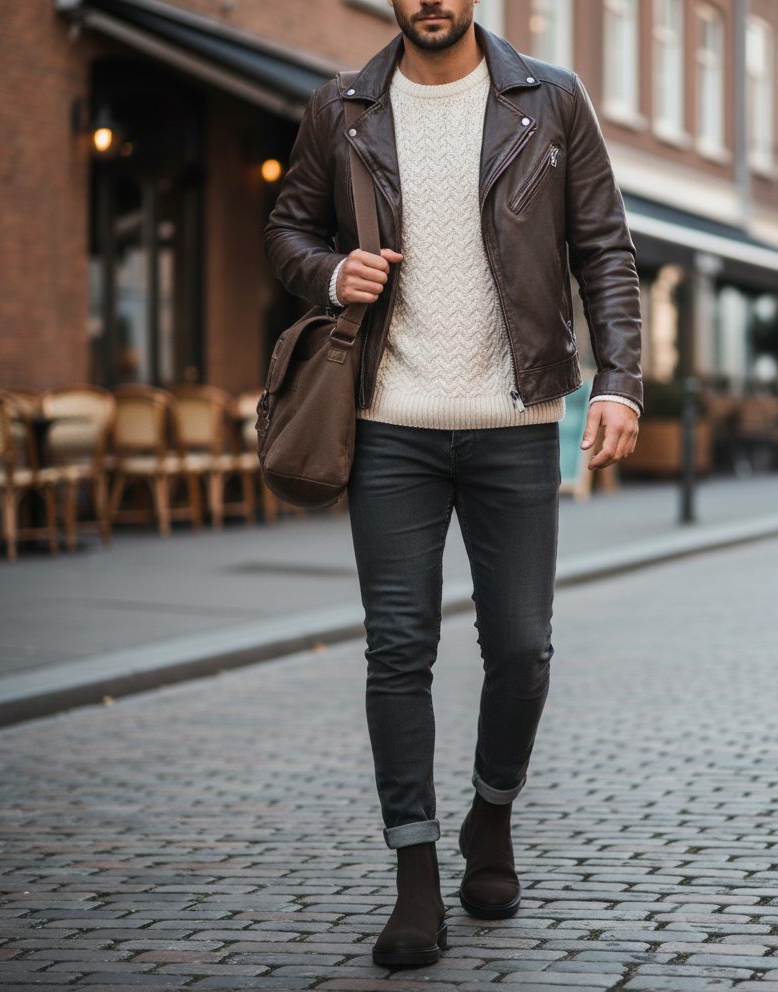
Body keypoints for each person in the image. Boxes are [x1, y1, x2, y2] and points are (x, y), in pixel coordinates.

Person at [263, 0, 644, 969]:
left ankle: (492, 813)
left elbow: (603, 248)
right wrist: (328, 270)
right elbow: (285, 228)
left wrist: (620, 383)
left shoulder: (550, 102)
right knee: (399, 649)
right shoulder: (343, 107)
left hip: (517, 423)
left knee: (521, 646)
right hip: (388, 423)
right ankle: (416, 877)